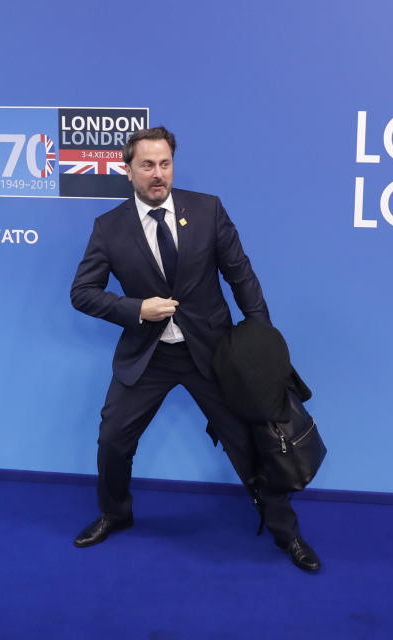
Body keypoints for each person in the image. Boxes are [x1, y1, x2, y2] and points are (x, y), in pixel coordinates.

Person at [69, 126, 320, 572]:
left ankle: (287, 533)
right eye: (147, 165)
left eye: (164, 163)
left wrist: (262, 342)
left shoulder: (207, 210)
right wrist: (135, 308)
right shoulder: (109, 228)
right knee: (112, 439)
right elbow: (83, 292)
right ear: (128, 171)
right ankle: (115, 514)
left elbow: (241, 274)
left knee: (251, 444)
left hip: (211, 353)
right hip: (148, 357)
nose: (157, 173)